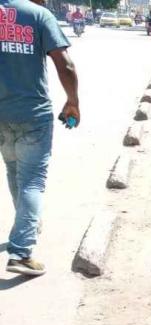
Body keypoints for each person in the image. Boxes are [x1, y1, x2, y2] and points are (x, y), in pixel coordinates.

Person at [0, 0, 79, 276]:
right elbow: (65, 64)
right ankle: (21, 253)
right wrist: (73, 102)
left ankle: (27, 223)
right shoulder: (38, 15)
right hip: (32, 114)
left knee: (14, 169)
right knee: (32, 180)